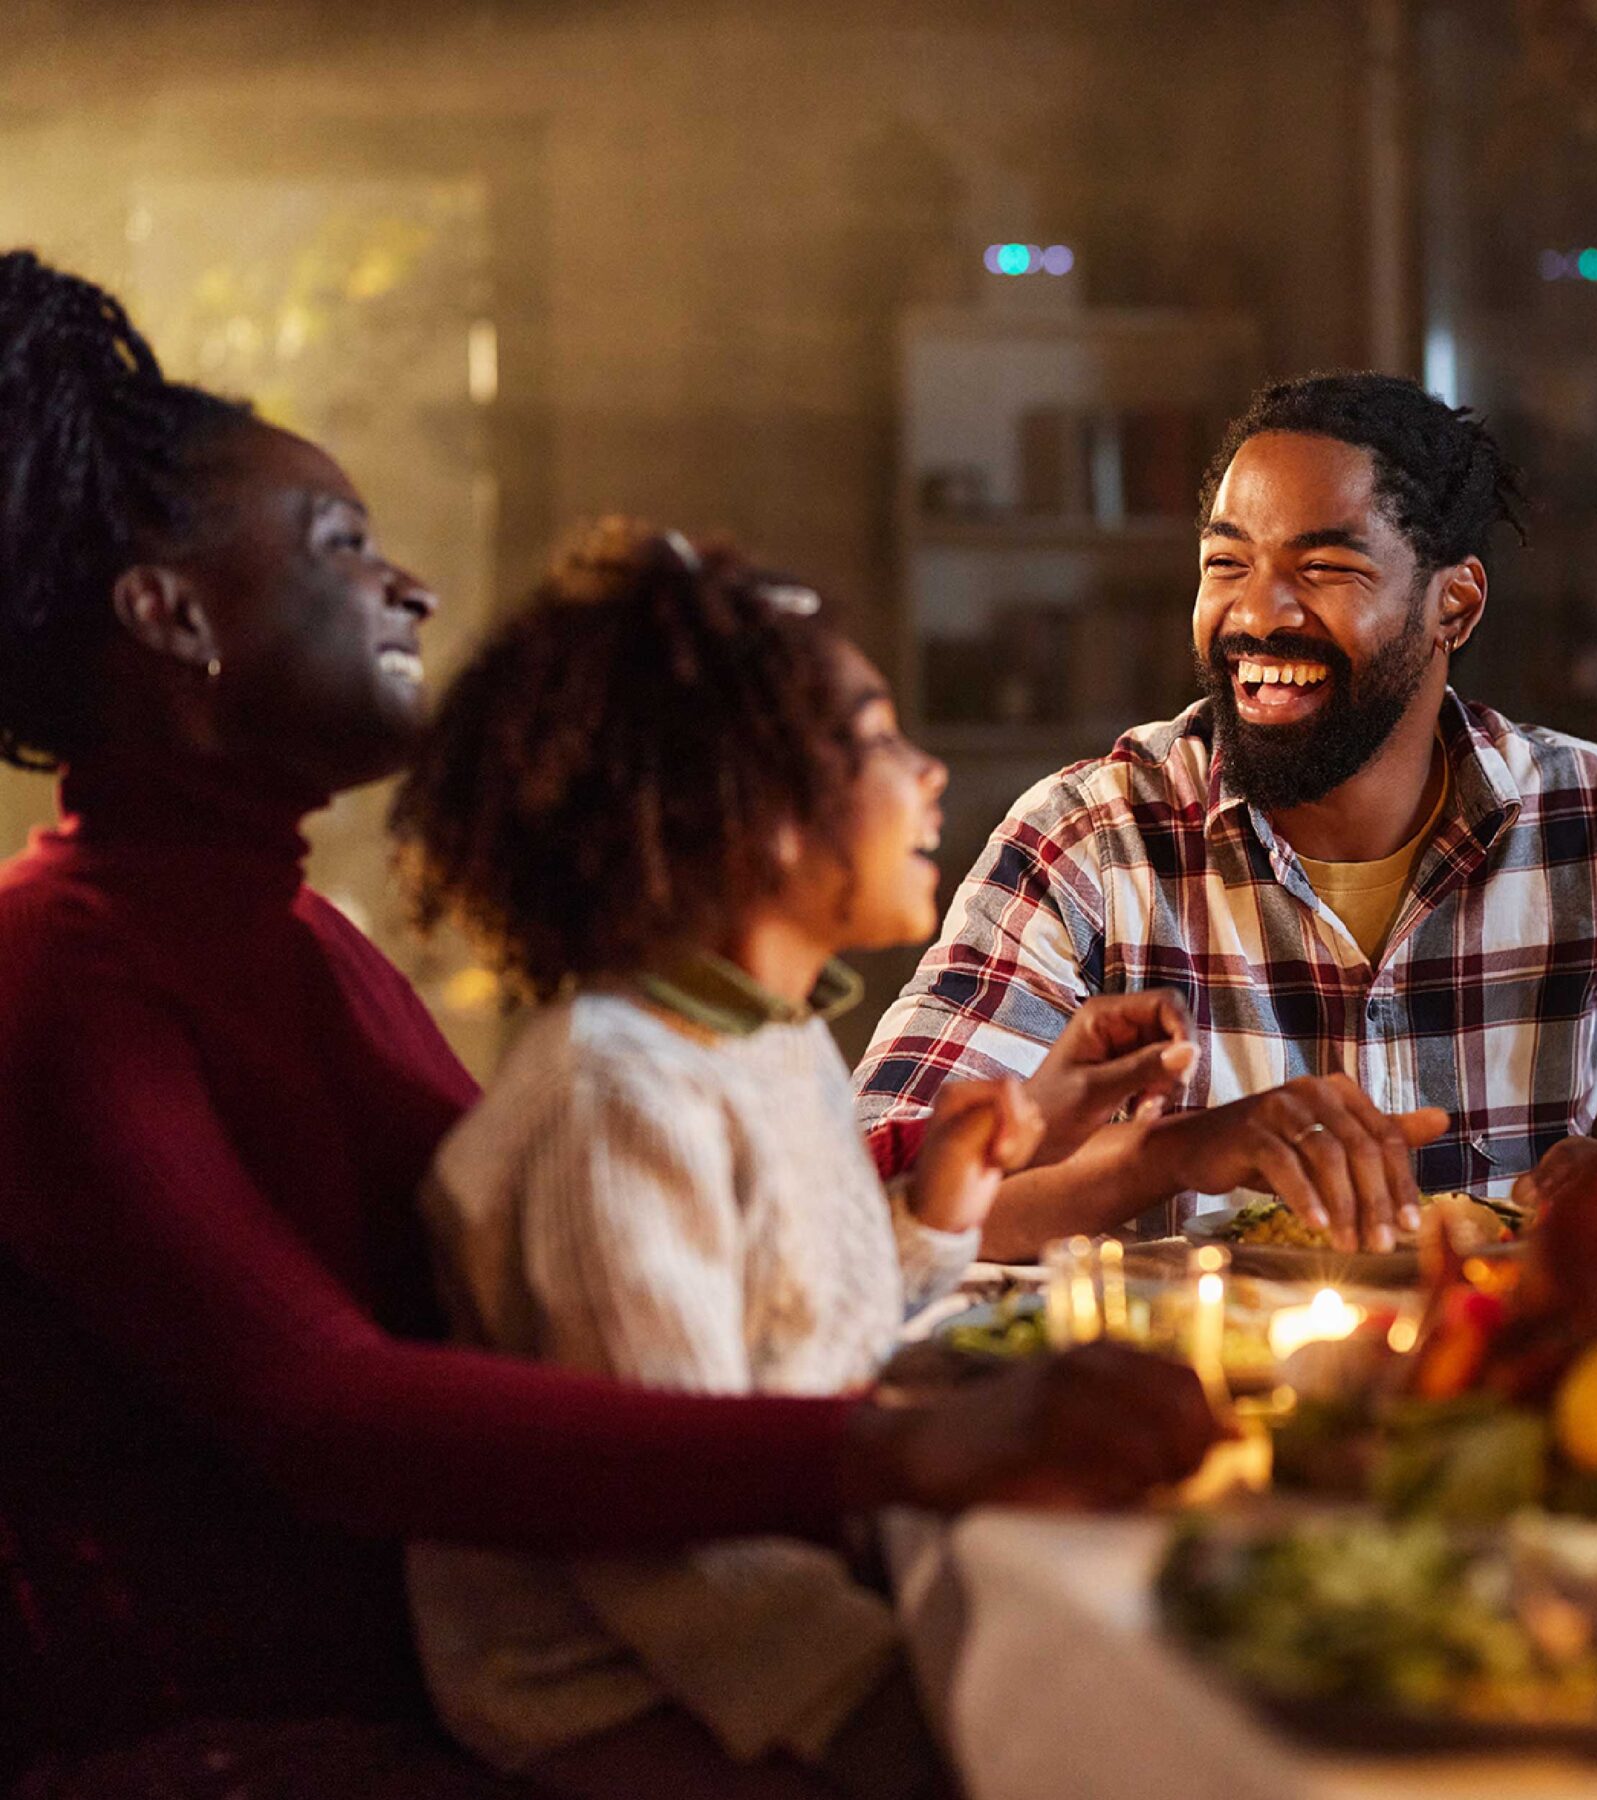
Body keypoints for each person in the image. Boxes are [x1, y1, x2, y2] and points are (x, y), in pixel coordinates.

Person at [0, 251, 1217, 1791]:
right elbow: (324, 1406)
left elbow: (593, 1238)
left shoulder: (293, 930)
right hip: (253, 1744)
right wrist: (892, 1451)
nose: (412, 586)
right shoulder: (65, 975)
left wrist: (956, 1164)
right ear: (168, 612)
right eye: (341, 544)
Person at [390, 520, 1197, 1797]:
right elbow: (672, 1539)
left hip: (773, 1614)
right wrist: (921, 1727)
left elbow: (795, 1344)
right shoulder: (614, 1098)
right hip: (617, 1700)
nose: (928, 771)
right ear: (753, 811)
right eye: (878, 741)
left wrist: (937, 1216)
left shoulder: (766, 1032)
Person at [856, 371, 1597, 1262]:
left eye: (1323, 567)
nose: (1258, 612)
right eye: (1227, 564)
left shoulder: (1586, 819)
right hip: (1195, 1431)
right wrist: (1176, 1154)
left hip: (1496, 1421)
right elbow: (879, 1201)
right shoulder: (1093, 840)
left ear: (1455, 605)